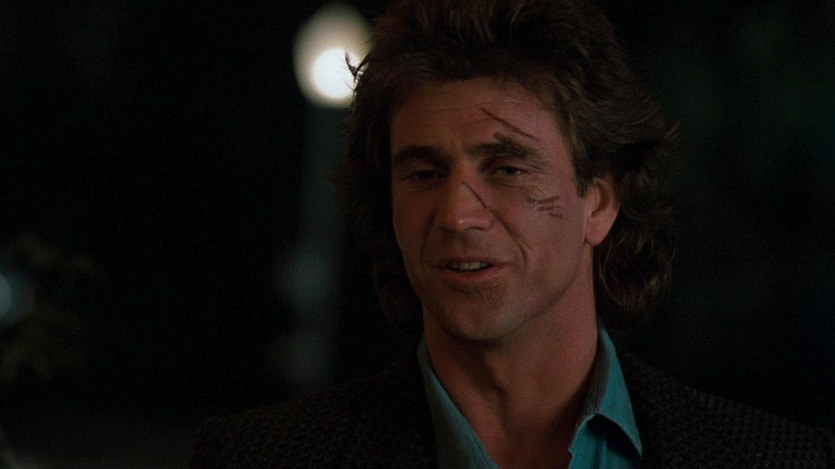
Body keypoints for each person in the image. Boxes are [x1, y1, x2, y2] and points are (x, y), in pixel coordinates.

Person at [191, 0, 835, 467]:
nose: (457, 214)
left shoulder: (777, 459)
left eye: (506, 168)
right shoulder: (262, 458)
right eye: (423, 173)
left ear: (600, 201)